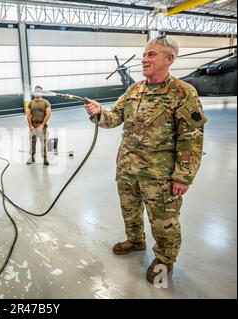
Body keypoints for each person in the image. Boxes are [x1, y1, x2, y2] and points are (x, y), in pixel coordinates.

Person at [84, 35, 207, 284]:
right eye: (144, 54)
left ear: (169, 58)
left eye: (151, 54)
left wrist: (183, 176)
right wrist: (98, 113)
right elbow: (113, 118)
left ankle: (164, 259)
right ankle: (136, 240)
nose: (144, 59)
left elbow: (191, 138)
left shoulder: (183, 93)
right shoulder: (134, 90)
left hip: (159, 175)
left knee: (164, 222)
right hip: (127, 168)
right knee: (129, 210)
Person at [26, 86, 52, 165]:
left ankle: (45, 158)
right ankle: (32, 157)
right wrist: (30, 126)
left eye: (38, 91)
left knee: (44, 143)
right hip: (33, 125)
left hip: (42, 126)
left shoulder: (46, 102)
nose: (36, 92)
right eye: (35, 91)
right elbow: (28, 115)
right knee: (32, 142)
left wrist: (42, 125)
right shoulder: (30, 103)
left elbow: (48, 114)